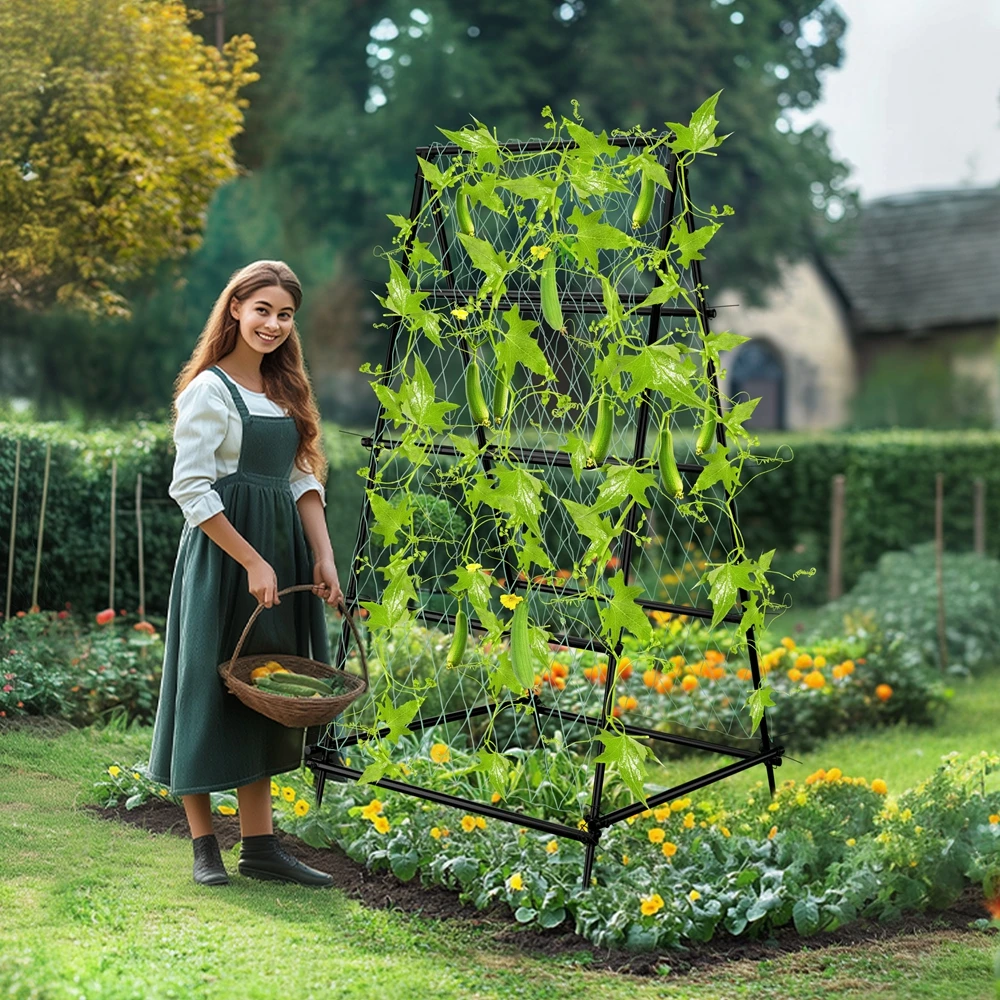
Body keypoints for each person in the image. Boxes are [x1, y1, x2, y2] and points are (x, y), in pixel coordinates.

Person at [147, 259, 343, 887]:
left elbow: (303, 479)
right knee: (206, 688)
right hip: (225, 560)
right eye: (262, 310)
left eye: (285, 315)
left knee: (265, 687)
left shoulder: (285, 390)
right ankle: (205, 847)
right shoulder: (209, 390)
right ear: (235, 308)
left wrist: (322, 555)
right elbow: (191, 488)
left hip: (280, 560)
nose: (273, 324)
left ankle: (260, 847)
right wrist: (252, 559)